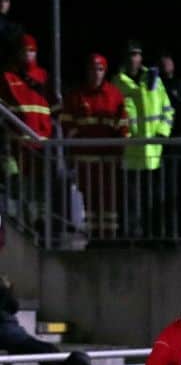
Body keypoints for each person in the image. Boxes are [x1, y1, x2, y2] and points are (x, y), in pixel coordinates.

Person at [61, 54, 130, 237]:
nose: (96, 74)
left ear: (105, 72)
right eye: (92, 69)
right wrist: (76, 139)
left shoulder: (114, 94)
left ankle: (110, 236)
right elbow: (66, 121)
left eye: (99, 70)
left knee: (109, 201)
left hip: (109, 161)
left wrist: (121, 145)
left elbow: (123, 123)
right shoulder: (77, 96)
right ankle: (93, 237)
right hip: (85, 160)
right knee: (90, 201)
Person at [112, 40, 174, 237]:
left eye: (137, 54)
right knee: (129, 202)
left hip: (153, 154)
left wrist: (163, 132)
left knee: (153, 201)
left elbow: (167, 109)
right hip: (130, 154)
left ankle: (153, 237)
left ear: (141, 57)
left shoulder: (154, 79)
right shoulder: (117, 82)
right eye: (131, 54)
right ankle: (129, 238)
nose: (134, 58)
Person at [0, 273, 57, 355]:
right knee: (45, 351)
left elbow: (14, 307)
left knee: (51, 349)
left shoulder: (4, 299)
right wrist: (5, 290)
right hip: (9, 337)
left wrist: (8, 290)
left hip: (16, 336)